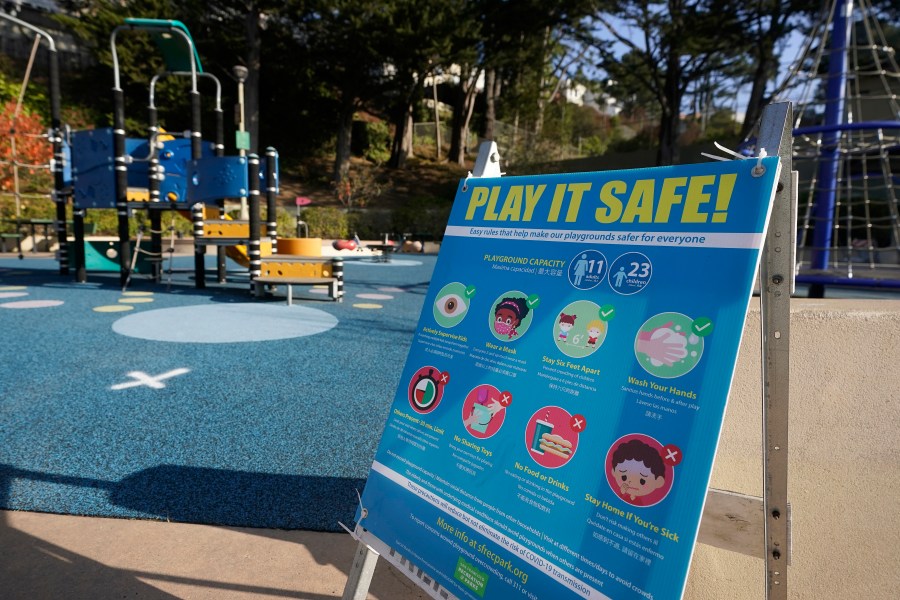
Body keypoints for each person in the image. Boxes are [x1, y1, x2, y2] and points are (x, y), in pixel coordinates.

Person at [610, 438, 666, 503]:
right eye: (624, 477)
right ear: (614, 472)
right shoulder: (623, 496)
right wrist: (621, 493)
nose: (631, 482)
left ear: (658, 482)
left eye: (642, 481)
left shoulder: (640, 501)